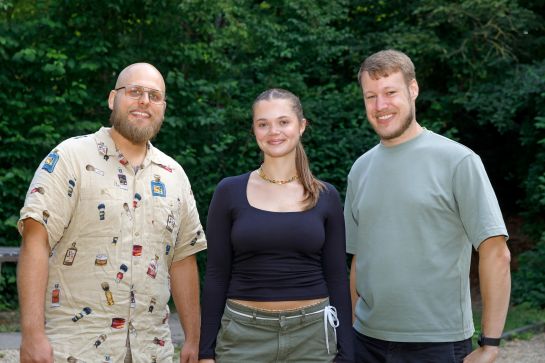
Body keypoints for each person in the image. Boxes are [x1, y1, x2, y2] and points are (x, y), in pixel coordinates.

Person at [17, 63, 207, 363]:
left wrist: (194, 340)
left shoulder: (174, 176)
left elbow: (183, 259)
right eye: (134, 92)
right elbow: (34, 241)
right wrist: (32, 334)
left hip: (152, 351)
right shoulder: (70, 158)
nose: (144, 101)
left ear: (163, 107)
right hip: (75, 350)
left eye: (154, 95)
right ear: (112, 99)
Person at [345, 49, 511, 363]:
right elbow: (358, 258)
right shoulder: (360, 169)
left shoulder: (458, 161)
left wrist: (490, 343)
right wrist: (353, 329)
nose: (381, 106)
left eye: (390, 92)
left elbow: (495, 251)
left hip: (437, 344)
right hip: (366, 343)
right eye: (371, 96)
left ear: (413, 89)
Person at [198, 88, 354, 362]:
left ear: (301, 126)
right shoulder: (229, 191)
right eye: (263, 124)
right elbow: (216, 274)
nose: (274, 131)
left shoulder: (326, 196)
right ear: (254, 130)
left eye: (283, 122)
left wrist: (347, 352)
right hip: (243, 336)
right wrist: (205, 352)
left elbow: (338, 277)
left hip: (313, 337)